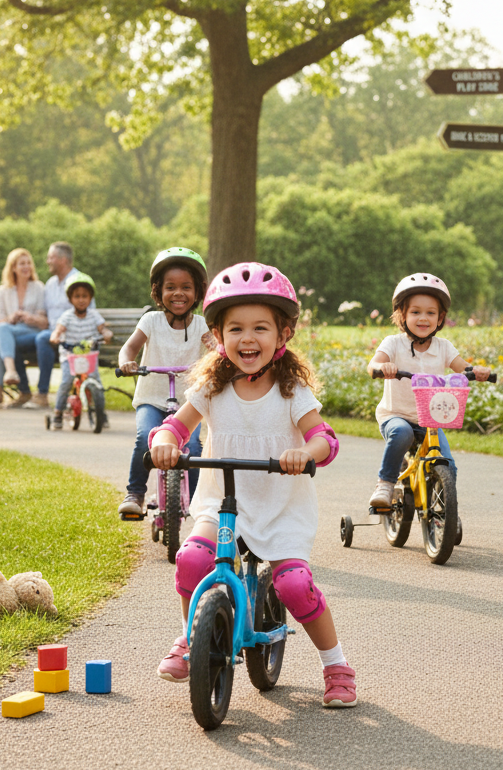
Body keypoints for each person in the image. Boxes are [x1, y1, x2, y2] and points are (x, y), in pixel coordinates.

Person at [149, 262, 352, 707]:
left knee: (294, 586)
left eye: (261, 328)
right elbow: (175, 427)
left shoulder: (291, 390)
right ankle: (189, 638)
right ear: (217, 335)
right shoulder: (211, 386)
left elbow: (324, 439)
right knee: (191, 560)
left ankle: (336, 665)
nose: (248, 338)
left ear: (283, 334)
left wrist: (306, 453)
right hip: (221, 505)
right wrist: (164, 443)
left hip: (281, 509)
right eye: (236, 328)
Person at [366, 273, 491, 510]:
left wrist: (477, 371)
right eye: (415, 312)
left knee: (448, 465)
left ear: (440, 318)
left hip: (430, 420)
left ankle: (442, 513)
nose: (423, 318)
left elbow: (463, 367)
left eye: (431, 313)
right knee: (402, 433)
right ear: (402, 315)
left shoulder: (443, 347)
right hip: (396, 416)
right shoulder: (393, 343)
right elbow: (373, 365)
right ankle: (385, 484)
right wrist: (383, 367)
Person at [117, 248, 211, 517]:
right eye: (170, 287)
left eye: (186, 287)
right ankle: (135, 493)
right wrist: (127, 362)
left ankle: (196, 501)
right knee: (145, 439)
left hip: (188, 404)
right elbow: (129, 348)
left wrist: (220, 354)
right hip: (151, 399)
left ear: (197, 292)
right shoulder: (151, 321)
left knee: (193, 447)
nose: (178, 293)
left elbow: (215, 347)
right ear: (158, 292)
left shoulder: (202, 325)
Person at [31, 241, 96, 409]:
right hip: (53, 335)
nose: (48, 261)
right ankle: (25, 392)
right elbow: (44, 313)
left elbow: (90, 312)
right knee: (17, 341)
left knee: (42, 339)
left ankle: (42, 394)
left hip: (75, 336)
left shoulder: (79, 282)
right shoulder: (50, 284)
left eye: (51, 257)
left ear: (63, 260)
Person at [0, 248, 47, 409]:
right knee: (0, 338)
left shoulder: (38, 287)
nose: (26, 267)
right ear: (13, 268)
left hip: (32, 332)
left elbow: (43, 322)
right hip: (10, 333)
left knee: (0, 338)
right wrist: (10, 318)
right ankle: (9, 388)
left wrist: (29, 317)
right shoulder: (3, 290)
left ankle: (0, 389)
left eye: (28, 263)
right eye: (22, 264)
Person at [48, 273, 112, 428]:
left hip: (88, 357)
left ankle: (101, 413)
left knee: (96, 382)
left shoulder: (94, 315)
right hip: (70, 357)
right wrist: (55, 336)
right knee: (66, 381)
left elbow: (102, 329)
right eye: (77, 296)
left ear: (90, 298)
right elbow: (59, 329)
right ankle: (58, 413)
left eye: (85, 296)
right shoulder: (67, 316)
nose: (81, 300)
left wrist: (106, 333)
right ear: (70, 299)